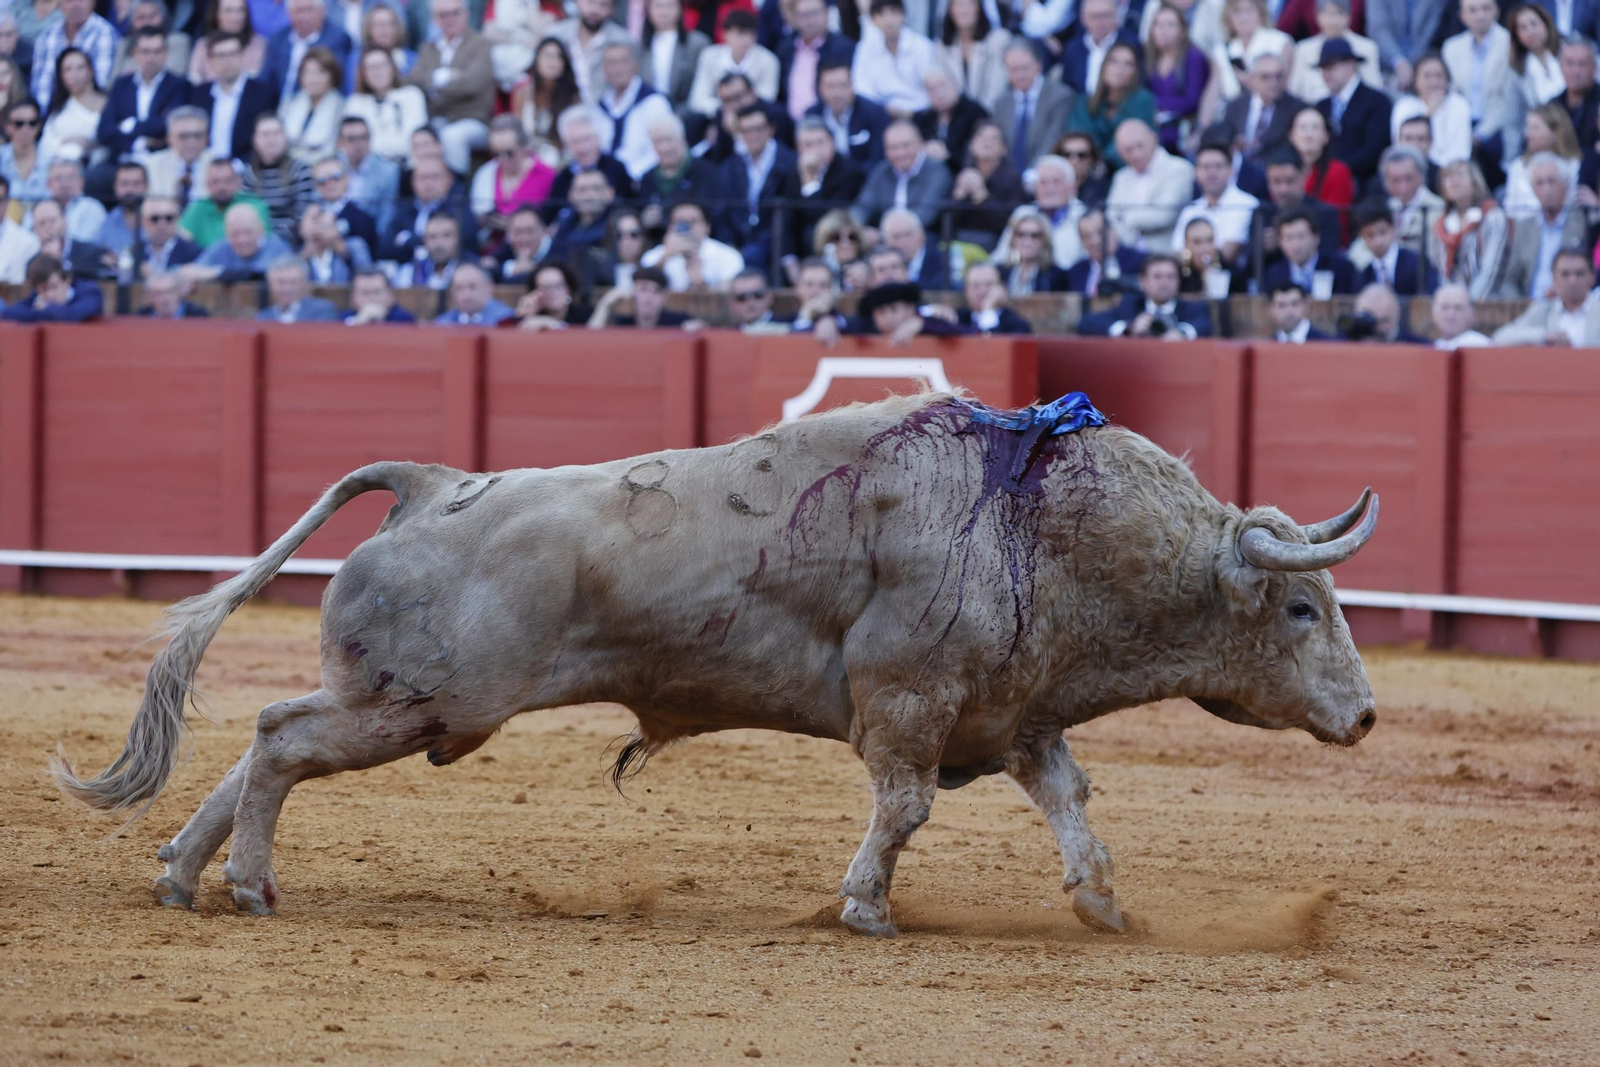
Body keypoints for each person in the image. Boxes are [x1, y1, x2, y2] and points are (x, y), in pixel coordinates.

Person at [407, 0, 495, 175]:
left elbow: (472, 84)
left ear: (466, 14)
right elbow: (413, 79)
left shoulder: (480, 44)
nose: (449, 19)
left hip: (474, 120)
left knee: (452, 136)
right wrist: (443, 76)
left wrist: (435, 87)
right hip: (438, 119)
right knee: (420, 135)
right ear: (435, 19)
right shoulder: (429, 47)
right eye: (443, 15)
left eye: (455, 13)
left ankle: (455, 190)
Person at [1500, 152, 1589, 298]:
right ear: (1533, 189)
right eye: (1539, 183)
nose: (1546, 190)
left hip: (1571, 305)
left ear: (1565, 185)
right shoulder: (1524, 228)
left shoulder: (1584, 222)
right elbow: (1510, 281)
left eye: (1551, 181)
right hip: (1530, 308)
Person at [97, 27, 188, 164]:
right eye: (145, 52)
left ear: (166, 53)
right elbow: (104, 130)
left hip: (161, 159)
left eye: (157, 51)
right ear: (135, 53)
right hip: (123, 158)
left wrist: (131, 125)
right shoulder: (122, 85)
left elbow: (169, 125)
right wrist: (141, 143)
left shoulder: (179, 85)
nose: (151, 58)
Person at [1440, 0, 1514, 164]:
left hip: (1497, 125)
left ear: (1496, 11)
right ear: (1462, 16)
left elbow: (1508, 100)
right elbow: (1451, 93)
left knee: (1489, 150)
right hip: (1462, 121)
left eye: (1485, 8)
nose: (1480, 15)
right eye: (1472, 10)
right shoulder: (1451, 47)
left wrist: (1479, 135)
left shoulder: (1511, 44)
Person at [592, 41, 677, 181]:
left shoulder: (654, 102)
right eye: (611, 63)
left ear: (634, 64)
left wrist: (629, 175)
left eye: (623, 61)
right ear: (604, 69)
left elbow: (660, 150)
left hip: (643, 180)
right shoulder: (600, 106)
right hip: (605, 184)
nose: (617, 68)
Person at [1105, 119, 1195, 252]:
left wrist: (1126, 217)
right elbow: (1110, 216)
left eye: (1140, 145)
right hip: (1127, 254)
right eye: (1128, 149)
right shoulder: (1121, 177)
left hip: (1166, 257)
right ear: (1120, 153)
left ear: (1154, 138)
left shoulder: (1179, 169)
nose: (1136, 154)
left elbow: (1164, 215)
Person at [1313, 38, 1390, 190]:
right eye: (1323, 68)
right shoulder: (1321, 106)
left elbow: (1374, 150)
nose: (1326, 74)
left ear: (1351, 65)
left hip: (1361, 184)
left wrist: (1338, 171)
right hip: (1323, 183)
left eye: (1331, 66)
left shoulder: (1376, 101)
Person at [1428, 159, 1510, 300]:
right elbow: (1437, 270)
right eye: (1448, 177)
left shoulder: (1493, 217)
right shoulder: (1441, 223)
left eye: (1459, 175)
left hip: (1484, 302)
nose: (1453, 181)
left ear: (1475, 181)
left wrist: (1469, 303)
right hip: (1448, 303)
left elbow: (1491, 270)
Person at [1078, 253, 1212, 338]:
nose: (1164, 283)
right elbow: (1087, 323)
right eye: (1157, 276)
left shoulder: (1193, 309)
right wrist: (1129, 329)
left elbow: (1205, 325)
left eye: (1171, 277)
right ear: (1144, 281)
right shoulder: (1130, 305)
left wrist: (1181, 333)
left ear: (1179, 281)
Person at [851, 119, 953, 228]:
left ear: (920, 143)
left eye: (905, 145)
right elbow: (863, 207)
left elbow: (926, 215)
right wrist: (851, 227)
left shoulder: (937, 171)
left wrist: (882, 234)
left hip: (925, 237)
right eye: (893, 147)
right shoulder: (881, 170)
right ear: (885, 150)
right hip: (883, 240)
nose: (900, 153)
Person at [1068, 42, 1155, 170]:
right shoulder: (1085, 102)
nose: (1120, 69)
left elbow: (1135, 139)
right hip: (1090, 170)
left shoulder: (1144, 101)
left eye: (1128, 64)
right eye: (1113, 61)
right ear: (1104, 66)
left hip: (1129, 168)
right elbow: (1080, 135)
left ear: (1136, 71)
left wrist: (1105, 162)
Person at [991, 40, 1072, 176]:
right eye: (1013, 69)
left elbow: (1053, 138)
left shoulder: (1060, 96)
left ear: (1038, 65)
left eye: (1024, 68)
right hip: (1010, 182)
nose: (1019, 75)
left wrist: (1033, 173)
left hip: (1045, 175)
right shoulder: (1002, 103)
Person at [1173, 142, 1258, 267]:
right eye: (1206, 167)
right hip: (1192, 280)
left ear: (1231, 170)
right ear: (1197, 172)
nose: (1212, 172)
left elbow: (1229, 252)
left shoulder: (1247, 203)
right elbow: (1176, 252)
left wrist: (1192, 257)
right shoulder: (1190, 209)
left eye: (1218, 166)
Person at [991, 153, 1084, 268]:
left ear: (1072, 187)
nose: (1049, 189)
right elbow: (1002, 256)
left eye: (1056, 182)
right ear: (1035, 188)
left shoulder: (1083, 217)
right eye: (1043, 182)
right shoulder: (1022, 213)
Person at [382, 156, 476, 264]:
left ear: (449, 180)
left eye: (435, 177)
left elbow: (463, 244)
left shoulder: (459, 208)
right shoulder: (404, 209)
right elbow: (384, 247)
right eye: (423, 177)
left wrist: (407, 240)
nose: (428, 183)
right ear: (413, 182)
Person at [1493, 249, 1600, 344]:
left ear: (1592, 276)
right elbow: (1500, 337)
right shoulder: (1545, 309)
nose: (1572, 280)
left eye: (1579, 273)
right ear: (1554, 278)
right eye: (1565, 274)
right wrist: (1545, 336)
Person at [945, 119, 1023, 249]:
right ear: (971, 145)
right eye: (981, 136)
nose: (987, 142)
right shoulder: (962, 174)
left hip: (999, 246)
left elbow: (1010, 224)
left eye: (994, 138)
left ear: (1004, 149)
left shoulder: (1013, 180)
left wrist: (982, 195)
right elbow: (946, 224)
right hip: (959, 244)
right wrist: (958, 196)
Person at [198, 31, 274, 163]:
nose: (228, 61)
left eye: (233, 54)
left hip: (246, 169)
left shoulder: (263, 94)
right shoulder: (199, 95)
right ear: (210, 60)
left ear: (242, 56)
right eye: (221, 55)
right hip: (205, 169)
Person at [469, 115, 556, 228]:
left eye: (509, 153)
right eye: (496, 154)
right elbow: (477, 213)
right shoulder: (486, 173)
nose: (502, 159)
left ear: (524, 147)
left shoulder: (547, 175)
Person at [851, 0, 935, 117]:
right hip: (881, 113)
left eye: (893, 12)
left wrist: (909, 113)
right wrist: (884, 109)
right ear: (873, 20)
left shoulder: (922, 46)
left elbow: (932, 86)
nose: (888, 20)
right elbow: (862, 87)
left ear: (904, 16)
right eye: (881, 14)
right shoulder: (865, 48)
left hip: (920, 113)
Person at [687, 8, 777, 115]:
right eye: (740, 34)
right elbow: (697, 99)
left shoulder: (768, 60)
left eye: (750, 34)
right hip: (717, 116)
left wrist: (740, 111)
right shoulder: (709, 56)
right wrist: (724, 109)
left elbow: (767, 98)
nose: (746, 39)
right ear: (725, 35)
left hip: (754, 117)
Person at [29, 0, 116, 111]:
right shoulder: (47, 35)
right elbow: (41, 84)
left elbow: (101, 84)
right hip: (50, 115)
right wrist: (42, 118)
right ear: (59, 5)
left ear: (93, 2)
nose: (75, 5)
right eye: (69, 1)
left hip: (90, 113)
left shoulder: (104, 33)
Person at [1144, 2, 1208, 153]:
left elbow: (1192, 101)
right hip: (1153, 127)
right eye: (1158, 24)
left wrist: (1150, 104)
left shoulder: (1193, 57)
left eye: (1170, 25)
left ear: (1182, 30)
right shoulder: (1150, 57)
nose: (1163, 30)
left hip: (1182, 130)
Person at [544, 106, 635, 211]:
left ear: (597, 138)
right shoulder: (563, 179)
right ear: (566, 144)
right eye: (576, 141)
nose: (583, 148)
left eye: (587, 139)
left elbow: (630, 208)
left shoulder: (617, 170)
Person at [1216, 52, 1303, 163]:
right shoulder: (1235, 106)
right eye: (1265, 77)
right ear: (1252, 79)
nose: (1273, 82)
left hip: (1277, 169)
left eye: (1278, 76)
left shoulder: (1297, 108)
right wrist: (1236, 141)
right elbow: (1225, 135)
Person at [639, 197, 743, 289]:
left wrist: (700, 283)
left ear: (707, 227)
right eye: (681, 222)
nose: (687, 228)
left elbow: (730, 300)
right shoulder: (654, 256)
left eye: (693, 221)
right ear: (670, 227)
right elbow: (639, 289)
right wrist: (665, 258)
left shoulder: (728, 257)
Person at [1288, 0, 1381, 103]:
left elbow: (1374, 88)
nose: (1334, 21)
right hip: (1313, 111)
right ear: (1317, 16)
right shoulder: (1304, 49)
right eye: (1328, 14)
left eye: (1340, 13)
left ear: (1349, 16)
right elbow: (1294, 91)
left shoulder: (1366, 48)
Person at [261, 0, 351, 104]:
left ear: (322, 11)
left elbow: (337, 81)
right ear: (289, 13)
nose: (304, 16)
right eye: (299, 11)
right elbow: (265, 80)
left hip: (317, 104)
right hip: (276, 104)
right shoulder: (278, 39)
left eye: (309, 10)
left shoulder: (337, 39)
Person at [1390, 54, 1472, 167]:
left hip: (1450, 172)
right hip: (1412, 170)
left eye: (1439, 76)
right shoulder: (1404, 106)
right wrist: (1429, 113)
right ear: (1416, 80)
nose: (1434, 82)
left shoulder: (1459, 104)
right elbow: (1401, 148)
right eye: (1427, 76)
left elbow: (1462, 152)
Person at [545, 0, 633, 105]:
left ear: (612, 9)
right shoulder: (556, 35)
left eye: (603, 5)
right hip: (560, 109)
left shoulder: (622, 41)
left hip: (606, 113)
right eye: (590, 2)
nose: (595, 10)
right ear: (577, 2)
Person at [804, 60, 890, 166]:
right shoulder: (812, 115)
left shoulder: (873, 113)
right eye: (831, 86)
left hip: (862, 177)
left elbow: (877, 159)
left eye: (843, 85)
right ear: (820, 88)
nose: (837, 93)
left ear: (852, 86)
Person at [1501, 103, 1580, 217]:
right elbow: (1510, 211)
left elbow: (1573, 207)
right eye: (1528, 127)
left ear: (1555, 132)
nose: (1529, 134)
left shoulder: (1574, 165)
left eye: (1535, 128)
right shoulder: (1518, 166)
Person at [244, 113, 313, 244]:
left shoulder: (300, 170)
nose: (271, 140)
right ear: (255, 139)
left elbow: (303, 215)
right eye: (265, 134)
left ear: (285, 138)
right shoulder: (249, 173)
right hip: (255, 241)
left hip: (290, 241)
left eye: (277, 133)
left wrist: (274, 240)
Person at [1211, 0, 1294, 104]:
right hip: (1233, 114)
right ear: (1228, 18)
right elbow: (1212, 92)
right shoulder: (1221, 51)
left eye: (1249, 10)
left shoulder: (1281, 42)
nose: (1244, 18)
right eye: (1237, 12)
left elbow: (1285, 86)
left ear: (1260, 13)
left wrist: (1253, 83)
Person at [1287, 105, 1352, 235]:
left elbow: (1338, 220)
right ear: (1291, 135)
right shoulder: (1283, 171)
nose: (1309, 134)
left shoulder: (1338, 172)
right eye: (1303, 128)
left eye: (1315, 128)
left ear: (1326, 136)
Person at [178, 157, 272, 246]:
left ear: (238, 182)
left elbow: (267, 243)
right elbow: (179, 241)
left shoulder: (254, 206)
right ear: (207, 184)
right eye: (216, 181)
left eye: (227, 181)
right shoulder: (198, 209)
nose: (221, 187)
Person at [1263, 207, 1358, 294]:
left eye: (1301, 236)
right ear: (1281, 242)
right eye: (1289, 238)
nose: (1296, 244)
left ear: (1316, 238)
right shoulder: (1275, 274)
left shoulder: (1341, 268)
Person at [936, 0, 1008, 113]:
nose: (964, 10)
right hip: (957, 116)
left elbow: (996, 88)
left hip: (991, 114)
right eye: (959, 5)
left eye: (970, 4)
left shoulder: (998, 40)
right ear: (950, 10)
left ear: (979, 8)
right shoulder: (942, 47)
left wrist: (977, 116)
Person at [640, 0, 709, 117]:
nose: (664, 12)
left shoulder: (697, 44)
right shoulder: (639, 48)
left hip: (687, 116)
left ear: (680, 9)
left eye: (670, 6)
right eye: (658, 6)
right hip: (646, 114)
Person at [913, 65, 986, 174]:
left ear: (955, 84)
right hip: (930, 176)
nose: (939, 94)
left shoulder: (974, 113)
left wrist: (948, 155)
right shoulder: (922, 118)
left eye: (943, 86)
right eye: (932, 89)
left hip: (966, 173)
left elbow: (979, 152)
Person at [191, 201, 292, 279]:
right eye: (235, 234)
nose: (242, 240)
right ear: (226, 233)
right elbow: (190, 271)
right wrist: (221, 273)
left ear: (261, 229)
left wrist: (224, 274)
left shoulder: (277, 248)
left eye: (248, 232)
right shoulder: (222, 247)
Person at [512, 37, 582, 149]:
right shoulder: (522, 93)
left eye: (558, 57)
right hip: (527, 156)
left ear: (564, 64)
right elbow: (516, 133)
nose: (552, 62)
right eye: (548, 56)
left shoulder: (573, 96)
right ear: (536, 60)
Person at [39, 46, 104, 165]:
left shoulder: (109, 104)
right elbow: (45, 145)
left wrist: (90, 143)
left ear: (91, 71)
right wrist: (65, 142)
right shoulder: (58, 108)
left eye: (80, 67)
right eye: (68, 69)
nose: (74, 74)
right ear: (61, 76)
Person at [277, 45, 344, 159]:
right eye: (308, 73)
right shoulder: (289, 103)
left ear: (332, 76)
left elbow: (335, 147)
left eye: (321, 72)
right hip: (287, 165)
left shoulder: (341, 107)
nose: (313, 79)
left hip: (323, 165)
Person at [1062, 0, 1139, 97]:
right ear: (1083, 19)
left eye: (1106, 15)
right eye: (1094, 16)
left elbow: (1138, 82)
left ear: (1116, 16)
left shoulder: (1131, 44)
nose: (1100, 21)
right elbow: (1067, 86)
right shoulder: (1073, 48)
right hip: (1081, 107)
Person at [854, 279, 971, 343]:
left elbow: (966, 333)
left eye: (894, 309)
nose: (888, 317)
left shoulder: (931, 324)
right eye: (881, 312)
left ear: (910, 309)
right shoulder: (867, 328)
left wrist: (923, 324)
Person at [336, 116, 400, 232]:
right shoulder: (332, 167)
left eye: (363, 137)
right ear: (340, 143)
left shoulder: (388, 172)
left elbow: (387, 216)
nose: (358, 143)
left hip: (368, 234)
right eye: (351, 139)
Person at [1065, 207, 1145, 295]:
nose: (1095, 241)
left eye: (1100, 232)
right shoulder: (1075, 273)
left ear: (1112, 231)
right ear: (1082, 241)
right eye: (1087, 236)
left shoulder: (1140, 262)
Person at [1354, 205, 1431, 295]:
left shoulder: (1417, 263)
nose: (1378, 241)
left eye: (1382, 232)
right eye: (1370, 235)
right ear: (1362, 237)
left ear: (1394, 228)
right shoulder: (1364, 276)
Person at [587, 263, 696, 327]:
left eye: (656, 291)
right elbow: (591, 340)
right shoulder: (622, 325)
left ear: (664, 297)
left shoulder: (677, 324)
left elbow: (698, 329)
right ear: (633, 292)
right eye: (643, 289)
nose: (649, 296)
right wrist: (606, 305)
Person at [0, 253, 102, 321]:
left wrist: (46, 309)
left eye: (53, 287)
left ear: (67, 280)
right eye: (43, 289)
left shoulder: (89, 293)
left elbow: (74, 316)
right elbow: (10, 312)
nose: (49, 294)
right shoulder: (36, 297)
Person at [545, 167, 615, 260]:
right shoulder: (563, 223)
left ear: (610, 193)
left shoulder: (619, 222)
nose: (589, 196)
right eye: (582, 190)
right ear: (571, 195)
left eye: (596, 189)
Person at [189, 0, 267, 82]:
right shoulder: (203, 44)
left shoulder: (258, 43)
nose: (235, 17)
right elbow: (194, 79)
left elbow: (256, 80)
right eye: (228, 10)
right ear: (216, 14)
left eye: (240, 10)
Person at [997, 206, 1069, 294]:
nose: (1027, 241)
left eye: (1035, 236)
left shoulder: (1056, 276)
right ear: (1013, 239)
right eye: (1021, 235)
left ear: (1044, 240)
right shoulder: (1001, 273)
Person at [113, 0, 191, 78]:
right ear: (132, 22)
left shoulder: (178, 41)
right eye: (141, 17)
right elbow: (113, 83)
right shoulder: (124, 45)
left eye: (152, 16)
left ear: (163, 18)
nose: (147, 22)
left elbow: (175, 76)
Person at [1508, 4, 1563, 113]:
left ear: (1546, 24)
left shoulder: (1568, 50)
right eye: (1523, 28)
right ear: (1516, 35)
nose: (1530, 31)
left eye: (1534, 24)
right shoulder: (1517, 70)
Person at [1551, 38, 1600, 160]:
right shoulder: (1552, 106)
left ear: (1595, 67)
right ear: (1561, 66)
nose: (1575, 71)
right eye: (1570, 63)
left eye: (1582, 64)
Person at [256, 254, 341, 322]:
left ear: (304, 283)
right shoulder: (263, 317)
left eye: (293, 282)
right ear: (270, 284)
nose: (287, 288)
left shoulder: (322, 311)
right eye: (281, 282)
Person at [394, 212, 467, 289]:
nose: (439, 243)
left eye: (446, 235)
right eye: (433, 237)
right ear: (424, 240)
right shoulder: (409, 273)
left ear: (456, 239)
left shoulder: (471, 272)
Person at [955, 261, 1032, 334]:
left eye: (988, 284)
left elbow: (992, 346)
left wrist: (988, 311)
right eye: (975, 286)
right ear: (966, 290)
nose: (982, 291)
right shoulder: (959, 319)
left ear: (1002, 288)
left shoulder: (1016, 325)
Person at [514, 261, 593, 330]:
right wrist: (524, 317)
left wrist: (553, 324)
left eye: (557, 286)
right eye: (545, 287)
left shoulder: (584, 314)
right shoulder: (534, 316)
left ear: (568, 289)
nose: (552, 292)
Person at [45, 156, 105, 242]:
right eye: (59, 178)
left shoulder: (93, 208)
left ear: (81, 182)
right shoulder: (40, 209)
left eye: (70, 177)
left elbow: (86, 244)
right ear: (48, 183)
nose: (65, 183)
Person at [432, 261, 514, 325]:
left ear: (489, 287)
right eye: (459, 288)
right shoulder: (443, 323)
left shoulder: (506, 321)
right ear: (452, 292)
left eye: (473, 287)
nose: (466, 295)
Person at [1344, 281, 1428, 342]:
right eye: (1367, 318)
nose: (1375, 328)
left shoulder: (1416, 346)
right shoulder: (1340, 344)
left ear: (1396, 316)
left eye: (1383, 321)